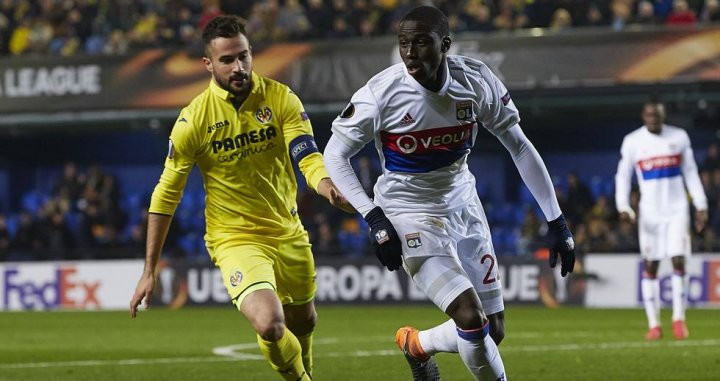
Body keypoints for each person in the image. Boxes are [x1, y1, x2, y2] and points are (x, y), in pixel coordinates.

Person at [323, 6, 576, 380]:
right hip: (407, 214)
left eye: (421, 43)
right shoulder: (381, 94)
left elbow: (519, 146)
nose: (410, 52)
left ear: (445, 45)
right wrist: (375, 218)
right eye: (404, 43)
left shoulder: (477, 81)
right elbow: (334, 154)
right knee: (471, 320)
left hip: (464, 206)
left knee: (494, 329)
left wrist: (557, 221)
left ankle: (418, 345)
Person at [129, 15, 353, 381]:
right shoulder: (193, 121)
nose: (239, 66)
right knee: (270, 324)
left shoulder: (280, 98)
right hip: (235, 238)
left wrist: (325, 184)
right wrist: (148, 270)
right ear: (208, 64)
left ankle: (304, 369)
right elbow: (165, 195)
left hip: (287, 230)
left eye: (244, 56)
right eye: (227, 60)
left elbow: (306, 153)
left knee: (304, 320)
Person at [615, 100, 707, 341]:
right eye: (648, 115)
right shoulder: (633, 141)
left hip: (677, 209)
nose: (652, 118)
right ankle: (654, 324)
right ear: (643, 116)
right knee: (651, 265)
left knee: (678, 260)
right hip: (650, 212)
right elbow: (623, 176)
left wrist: (701, 204)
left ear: (663, 115)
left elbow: (691, 172)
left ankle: (679, 319)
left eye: (656, 115)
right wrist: (623, 206)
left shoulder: (679, 137)